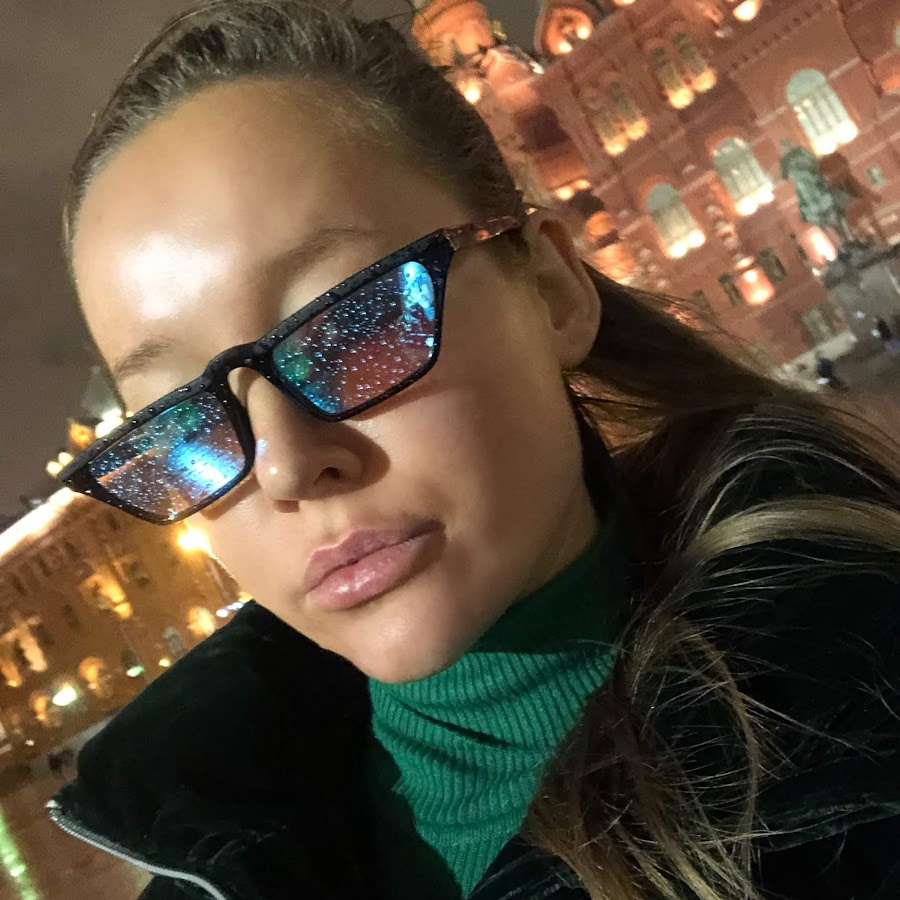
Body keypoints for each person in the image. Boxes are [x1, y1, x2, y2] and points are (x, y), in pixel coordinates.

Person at [48, 3, 899, 899]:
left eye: (355, 327)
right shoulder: (197, 872)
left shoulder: (862, 755)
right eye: (183, 421)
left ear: (552, 290)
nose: (287, 467)